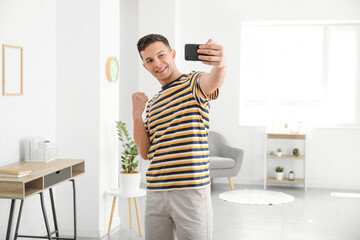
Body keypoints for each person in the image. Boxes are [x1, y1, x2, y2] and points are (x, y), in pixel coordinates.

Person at [132, 33, 226, 240]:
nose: (157, 63)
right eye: (149, 60)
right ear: (145, 66)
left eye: (161, 55)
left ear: (172, 54)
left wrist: (220, 65)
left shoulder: (193, 82)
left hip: (190, 192)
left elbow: (212, 81)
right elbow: (145, 152)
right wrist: (137, 114)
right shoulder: (154, 103)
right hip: (156, 192)